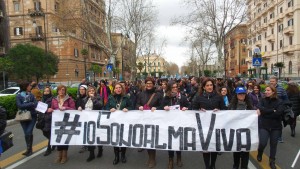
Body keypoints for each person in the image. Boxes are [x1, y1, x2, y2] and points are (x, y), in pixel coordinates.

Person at [192, 78, 226, 169]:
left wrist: (219, 110)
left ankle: (213, 164)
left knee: (214, 146)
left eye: (211, 85)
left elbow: (224, 109)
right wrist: (199, 110)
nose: (209, 87)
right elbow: (193, 109)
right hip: (204, 127)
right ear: (203, 87)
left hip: (216, 126)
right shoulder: (199, 97)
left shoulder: (218, 97)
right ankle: (207, 166)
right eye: (207, 85)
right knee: (206, 147)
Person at [136, 77, 163, 168]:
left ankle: (152, 158)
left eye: (150, 83)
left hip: (154, 120)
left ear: (153, 84)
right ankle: (150, 157)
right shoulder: (141, 94)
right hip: (143, 120)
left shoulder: (158, 94)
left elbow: (162, 106)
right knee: (146, 139)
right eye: (147, 83)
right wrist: (139, 106)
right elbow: (136, 104)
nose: (148, 85)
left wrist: (157, 108)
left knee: (152, 139)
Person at [161, 82, 189, 169]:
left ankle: (179, 157)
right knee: (170, 142)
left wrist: (186, 108)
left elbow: (189, 106)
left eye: (176, 87)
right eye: (173, 87)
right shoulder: (166, 98)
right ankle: (170, 159)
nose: (175, 89)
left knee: (179, 141)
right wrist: (163, 108)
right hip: (169, 124)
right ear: (170, 88)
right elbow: (160, 107)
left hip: (179, 124)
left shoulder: (182, 97)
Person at [256, 85, 284, 169]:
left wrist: (265, 112)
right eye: (265, 90)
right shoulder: (262, 100)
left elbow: (278, 113)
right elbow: (260, 107)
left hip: (276, 127)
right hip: (264, 126)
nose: (266, 92)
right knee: (262, 143)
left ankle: (272, 161)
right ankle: (260, 152)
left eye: (268, 90)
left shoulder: (279, 101)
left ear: (273, 92)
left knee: (273, 144)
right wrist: (272, 110)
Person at [107, 83, 133, 165]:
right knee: (115, 139)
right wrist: (109, 109)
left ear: (122, 89)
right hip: (114, 122)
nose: (118, 89)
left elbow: (132, 106)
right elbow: (106, 107)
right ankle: (116, 156)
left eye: (119, 88)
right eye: (116, 88)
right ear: (114, 89)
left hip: (124, 122)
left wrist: (127, 108)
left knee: (123, 138)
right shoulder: (110, 97)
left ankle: (123, 155)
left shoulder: (126, 97)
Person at [228, 87, 254, 169]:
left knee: (245, 151)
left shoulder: (249, 105)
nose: (241, 95)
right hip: (236, 132)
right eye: (239, 94)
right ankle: (235, 165)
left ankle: (244, 167)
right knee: (237, 150)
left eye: (243, 93)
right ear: (236, 95)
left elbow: (253, 116)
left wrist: (256, 112)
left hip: (246, 132)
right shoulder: (232, 106)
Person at [51, 85, 76, 164]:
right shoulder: (54, 100)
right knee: (58, 138)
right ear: (57, 91)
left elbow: (74, 109)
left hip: (66, 121)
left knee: (65, 138)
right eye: (59, 90)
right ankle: (59, 155)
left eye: (63, 90)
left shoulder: (69, 99)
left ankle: (64, 155)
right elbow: (52, 108)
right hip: (57, 122)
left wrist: (66, 108)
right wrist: (51, 110)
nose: (61, 91)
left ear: (65, 91)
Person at [16, 81, 38, 157]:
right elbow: (19, 106)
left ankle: (28, 149)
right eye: (29, 85)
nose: (30, 86)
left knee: (28, 131)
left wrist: (28, 104)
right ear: (25, 86)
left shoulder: (31, 95)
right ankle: (29, 149)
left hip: (32, 116)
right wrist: (30, 104)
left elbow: (35, 104)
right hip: (23, 116)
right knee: (26, 133)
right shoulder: (18, 96)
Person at [83, 86, 104, 162]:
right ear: (87, 92)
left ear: (95, 91)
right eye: (90, 91)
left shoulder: (98, 97)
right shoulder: (85, 99)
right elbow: (83, 108)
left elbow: (100, 105)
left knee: (98, 136)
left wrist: (93, 99)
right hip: (88, 121)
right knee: (90, 137)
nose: (91, 92)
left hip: (97, 120)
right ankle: (91, 154)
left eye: (93, 90)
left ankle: (100, 149)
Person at [269, 76, 288, 143]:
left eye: (273, 81)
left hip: (278, 110)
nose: (271, 82)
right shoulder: (268, 88)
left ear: (276, 81)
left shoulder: (281, 89)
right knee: (269, 122)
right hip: (269, 109)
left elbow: (286, 99)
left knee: (278, 124)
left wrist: (282, 107)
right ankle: (270, 135)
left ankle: (279, 137)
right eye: (270, 81)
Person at [40, 86, 54, 156]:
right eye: (45, 91)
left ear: (50, 92)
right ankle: (53, 142)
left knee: (49, 132)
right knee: (45, 132)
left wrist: (48, 110)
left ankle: (49, 149)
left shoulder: (52, 99)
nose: (46, 92)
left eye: (47, 91)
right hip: (43, 119)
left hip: (49, 118)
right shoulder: (42, 99)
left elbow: (53, 108)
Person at [76, 85, 88, 153]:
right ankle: (84, 145)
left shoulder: (88, 98)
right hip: (80, 118)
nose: (81, 90)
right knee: (83, 131)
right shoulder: (78, 98)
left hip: (87, 118)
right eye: (80, 89)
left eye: (83, 89)